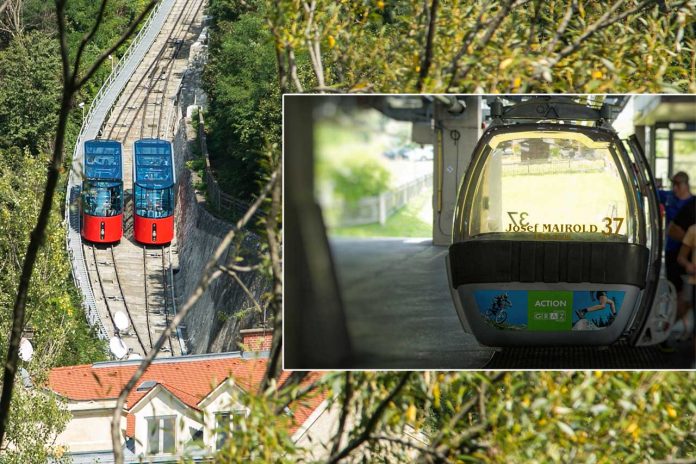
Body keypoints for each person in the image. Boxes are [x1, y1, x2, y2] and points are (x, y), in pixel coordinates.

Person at [660, 172, 693, 295]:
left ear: (686, 185)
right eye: (673, 184)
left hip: (688, 251)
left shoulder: (692, 203)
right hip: (672, 250)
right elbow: (647, 191)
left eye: (678, 185)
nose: (675, 188)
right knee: (673, 286)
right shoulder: (669, 197)